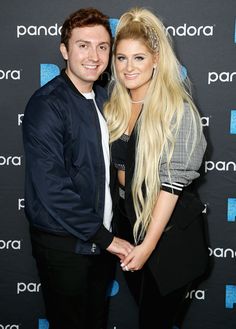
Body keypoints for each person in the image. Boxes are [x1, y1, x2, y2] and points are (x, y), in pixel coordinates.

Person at [22, 8, 133, 329]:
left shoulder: (102, 99)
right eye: (83, 45)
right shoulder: (47, 105)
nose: (94, 56)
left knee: (96, 320)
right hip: (66, 246)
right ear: (64, 50)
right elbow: (51, 188)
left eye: (102, 47)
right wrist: (105, 238)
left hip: (99, 241)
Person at [104, 7, 209, 329]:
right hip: (128, 227)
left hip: (170, 237)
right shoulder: (114, 105)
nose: (128, 67)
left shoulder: (177, 109)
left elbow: (172, 183)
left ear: (155, 59)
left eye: (138, 58)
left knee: (154, 322)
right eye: (121, 58)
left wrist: (148, 245)